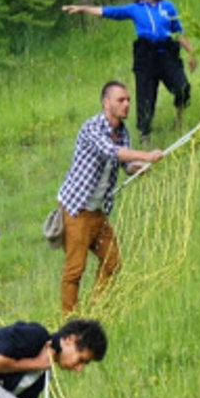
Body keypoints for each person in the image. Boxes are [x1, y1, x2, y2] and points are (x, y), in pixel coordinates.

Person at [54, 81, 164, 314]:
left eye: (128, 100)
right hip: (76, 209)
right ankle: (70, 324)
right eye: (120, 100)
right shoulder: (92, 128)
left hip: (98, 211)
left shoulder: (123, 132)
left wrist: (140, 168)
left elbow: (125, 164)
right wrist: (146, 155)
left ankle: (96, 310)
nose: (126, 105)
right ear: (106, 103)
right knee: (75, 270)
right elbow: (111, 151)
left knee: (113, 262)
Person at [62, 0, 197, 147]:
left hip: (166, 54)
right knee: (146, 97)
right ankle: (145, 134)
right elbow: (108, 11)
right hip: (146, 56)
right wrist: (82, 8)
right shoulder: (135, 9)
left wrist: (192, 54)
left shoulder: (168, 7)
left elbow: (178, 31)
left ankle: (179, 119)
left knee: (182, 87)